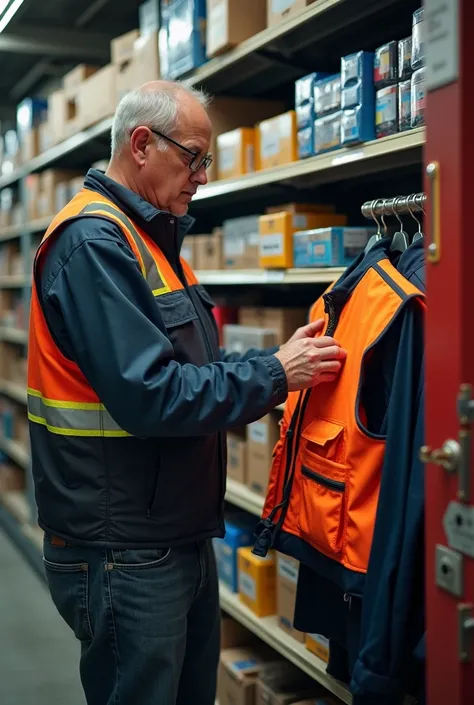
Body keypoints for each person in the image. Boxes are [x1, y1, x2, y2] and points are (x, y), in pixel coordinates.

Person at [27, 81, 346, 705]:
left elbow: (195, 364)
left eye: (207, 161)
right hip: (122, 547)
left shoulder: (153, 238)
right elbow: (153, 395)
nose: (202, 175)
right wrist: (276, 375)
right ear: (142, 144)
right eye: (194, 157)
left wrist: (277, 359)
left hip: (170, 533)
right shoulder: (94, 243)